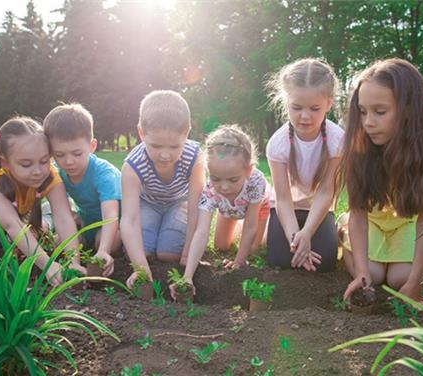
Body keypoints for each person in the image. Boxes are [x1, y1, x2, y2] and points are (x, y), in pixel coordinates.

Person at [337, 58, 423, 308]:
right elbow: (358, 212)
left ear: (409, 108)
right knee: (374, 277)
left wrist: (416, 284)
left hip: (407, 225)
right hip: (370, 223)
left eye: (380, 111)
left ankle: (419, 264)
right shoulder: (358, 146)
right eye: (363, 111)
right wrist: (361, 271)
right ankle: (343, 236)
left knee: (400, 279)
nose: (368, 122)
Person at [0, 117, 83, 286]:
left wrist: (74, 262)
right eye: (26, 164)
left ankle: (45, 217)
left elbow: (64, 217)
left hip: (22, 189)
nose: (38, 171)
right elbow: (11, 224)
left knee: (29, 237)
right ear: (4, 162)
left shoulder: (49, 174)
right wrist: (47, 265)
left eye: (44, 161)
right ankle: (40, 221)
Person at [264, 58, 345, 272]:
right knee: (280, 259)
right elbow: (282, 198)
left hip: (318, 208)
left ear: (329, 103)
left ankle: (337, 228)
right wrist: (295, 239)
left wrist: (307, 233)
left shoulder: (338, 140)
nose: (305, 116)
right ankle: (266, 229)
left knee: (326, 260)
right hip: (287, 208)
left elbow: (326, 192)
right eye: (296, 107)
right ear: (285, 103)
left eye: (314, 108)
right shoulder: (277, 144)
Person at [172, 124, 269, 298]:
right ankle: (235, 226)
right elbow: (201, 232)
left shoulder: (256, 182)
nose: (224, 187)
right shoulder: (210, 191)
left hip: (258, 210)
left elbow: (251, 225)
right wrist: (187, 276)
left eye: (233, 179)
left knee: (254, 248)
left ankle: (267, 229)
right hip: (229, 210)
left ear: (248, 170)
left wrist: (239, 262)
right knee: (221, 246)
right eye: (216, 178)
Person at [121, 90, 206, 288]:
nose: (165, 155)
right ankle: (155, 229)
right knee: (142, 251)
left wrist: (186, 254)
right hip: (148, 205)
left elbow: (195, 208)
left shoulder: (195, 157)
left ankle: (167, 232)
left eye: (175, 147)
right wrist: (140, 269)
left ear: (186, 133)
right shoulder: (132, 166)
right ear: (141, 133)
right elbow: (129, 220)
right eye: (157, 146)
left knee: (168, 254)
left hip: (179, 203)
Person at [44, 103, 122, 277]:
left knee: (105, 242)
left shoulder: (104, 174)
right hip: (87, 223)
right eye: (60, 155)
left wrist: (104, 251)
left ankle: (104, 248)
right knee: (58, 243)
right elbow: (62, 210)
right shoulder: (58, 172)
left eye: (77, 153)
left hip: (113, 226)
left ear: (92, 146)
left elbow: (111, 215)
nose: (69, 162)